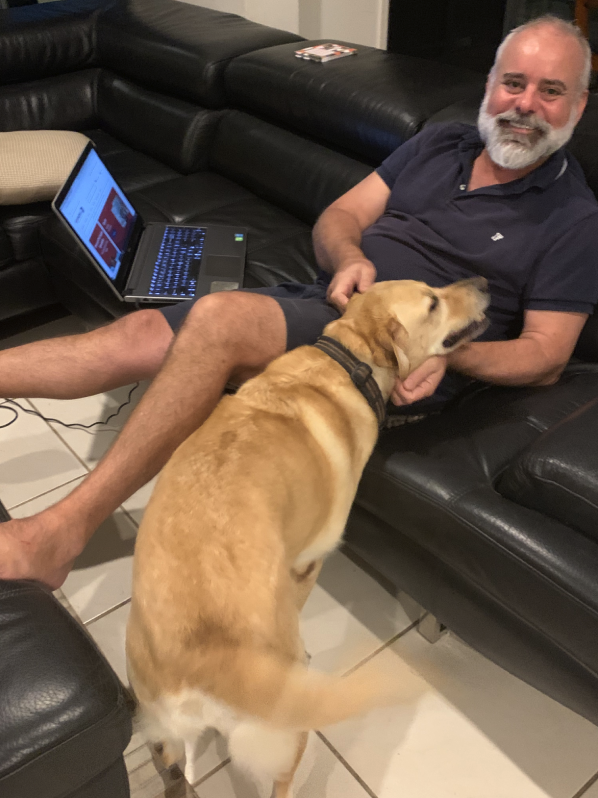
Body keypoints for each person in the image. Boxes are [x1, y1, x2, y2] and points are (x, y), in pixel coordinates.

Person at [0, 15, 597, 589]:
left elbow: (546, 355)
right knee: (137, 335)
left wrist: (447, 355)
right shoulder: (442, 143)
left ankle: (59, 533)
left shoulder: (573, 217)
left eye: (550, 91)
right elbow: (340, 215)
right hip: (332, 302)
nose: (524, 105)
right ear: (490, 84)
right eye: (513, 83)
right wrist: (349, 258)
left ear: (579, 105)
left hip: (394, 358)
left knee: (217, 319)